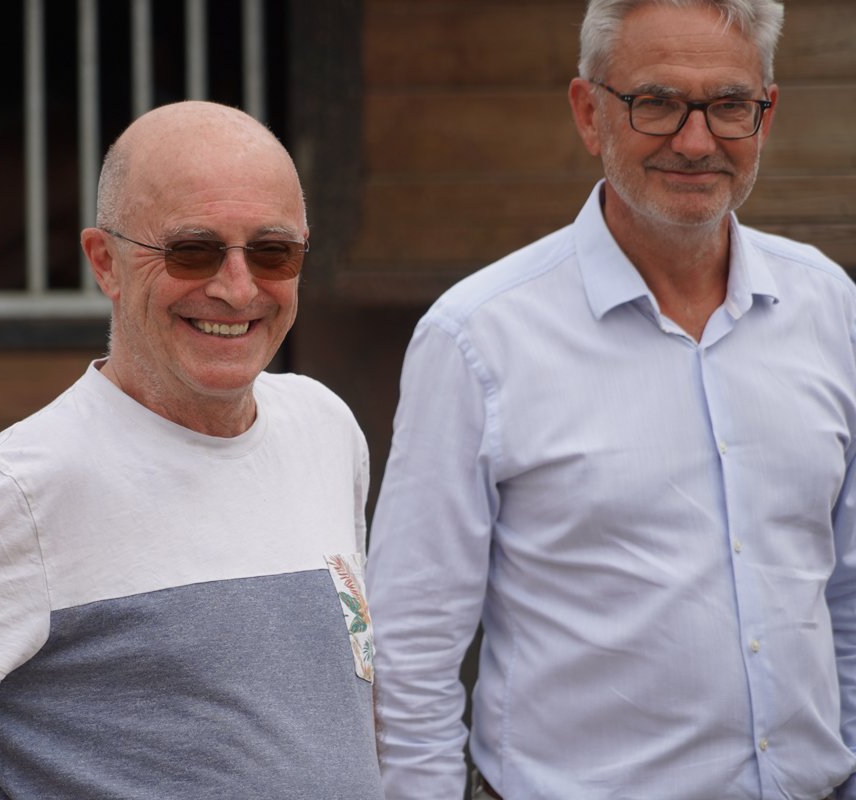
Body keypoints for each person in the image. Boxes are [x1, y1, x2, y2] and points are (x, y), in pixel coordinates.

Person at [0, 100, 382, 799]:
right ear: (105, 263)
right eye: (192, 251)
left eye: (272, 252)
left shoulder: (323, 426)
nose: (237, 289)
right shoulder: (31, 484)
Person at [366, 1, 856, 798]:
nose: (695, 141)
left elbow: (849, 594)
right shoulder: (478, 338)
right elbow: (410, 649)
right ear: (589, 113)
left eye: (729, 104)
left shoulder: (828, 307)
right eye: (655, 102)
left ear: (766, 114)